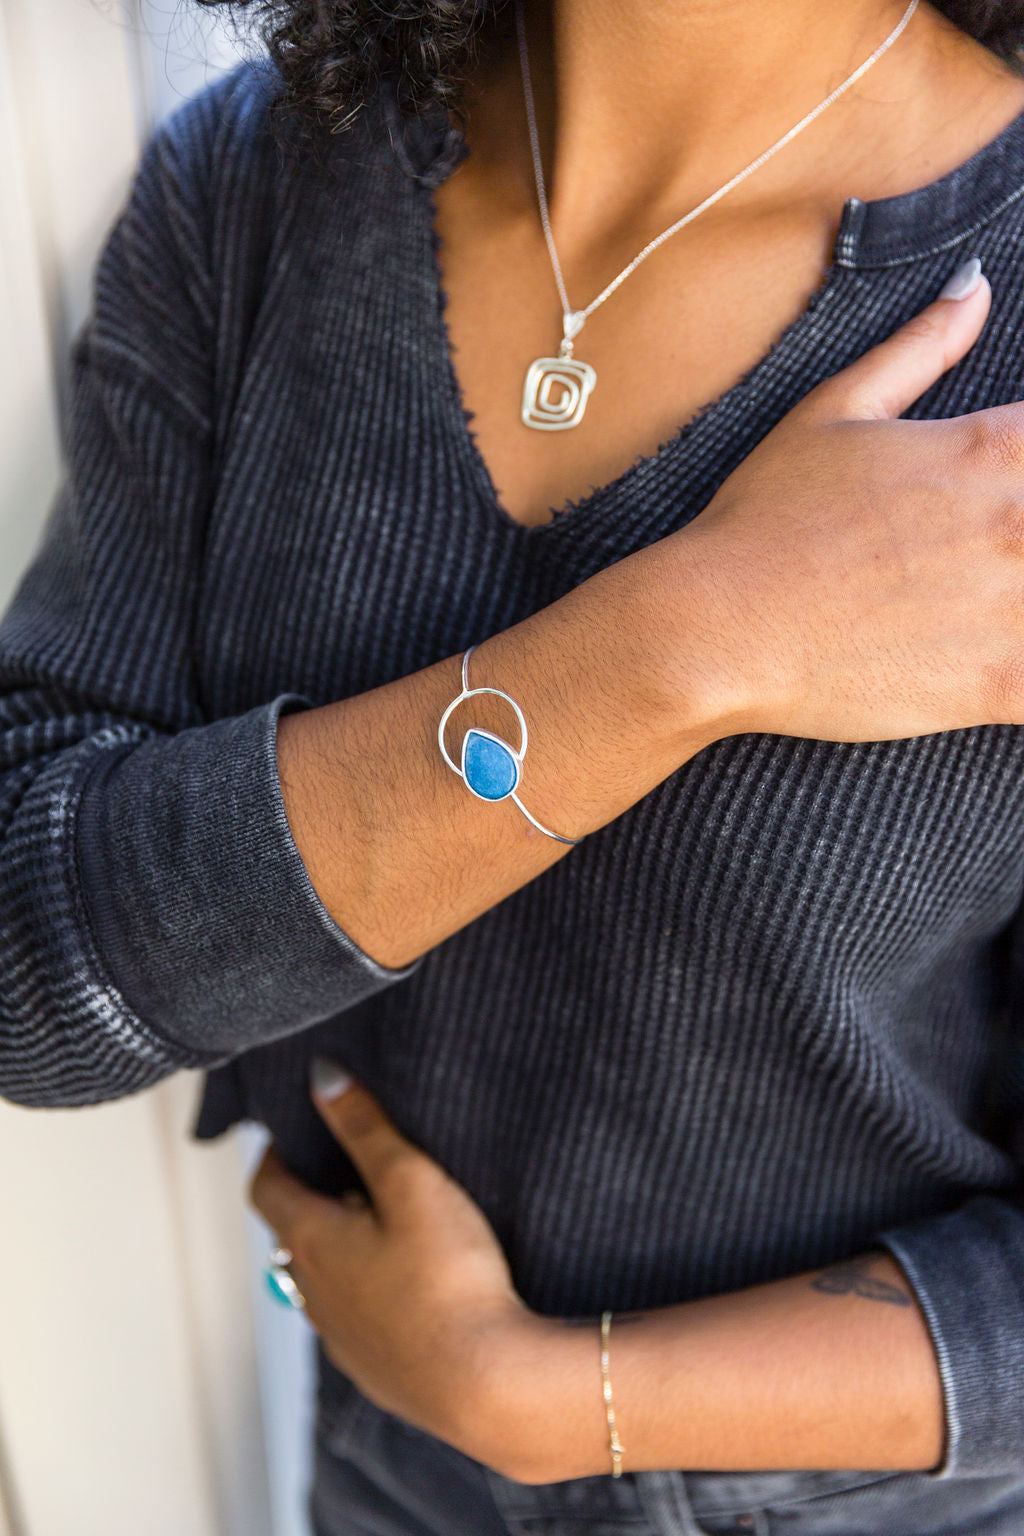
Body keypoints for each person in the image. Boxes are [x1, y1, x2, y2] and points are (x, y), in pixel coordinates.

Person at [5, 0, 1024, 1529]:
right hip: (383, 1480)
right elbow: (32, 958)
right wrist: (687, 639)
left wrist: (546, 1402)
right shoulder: (261, 182)